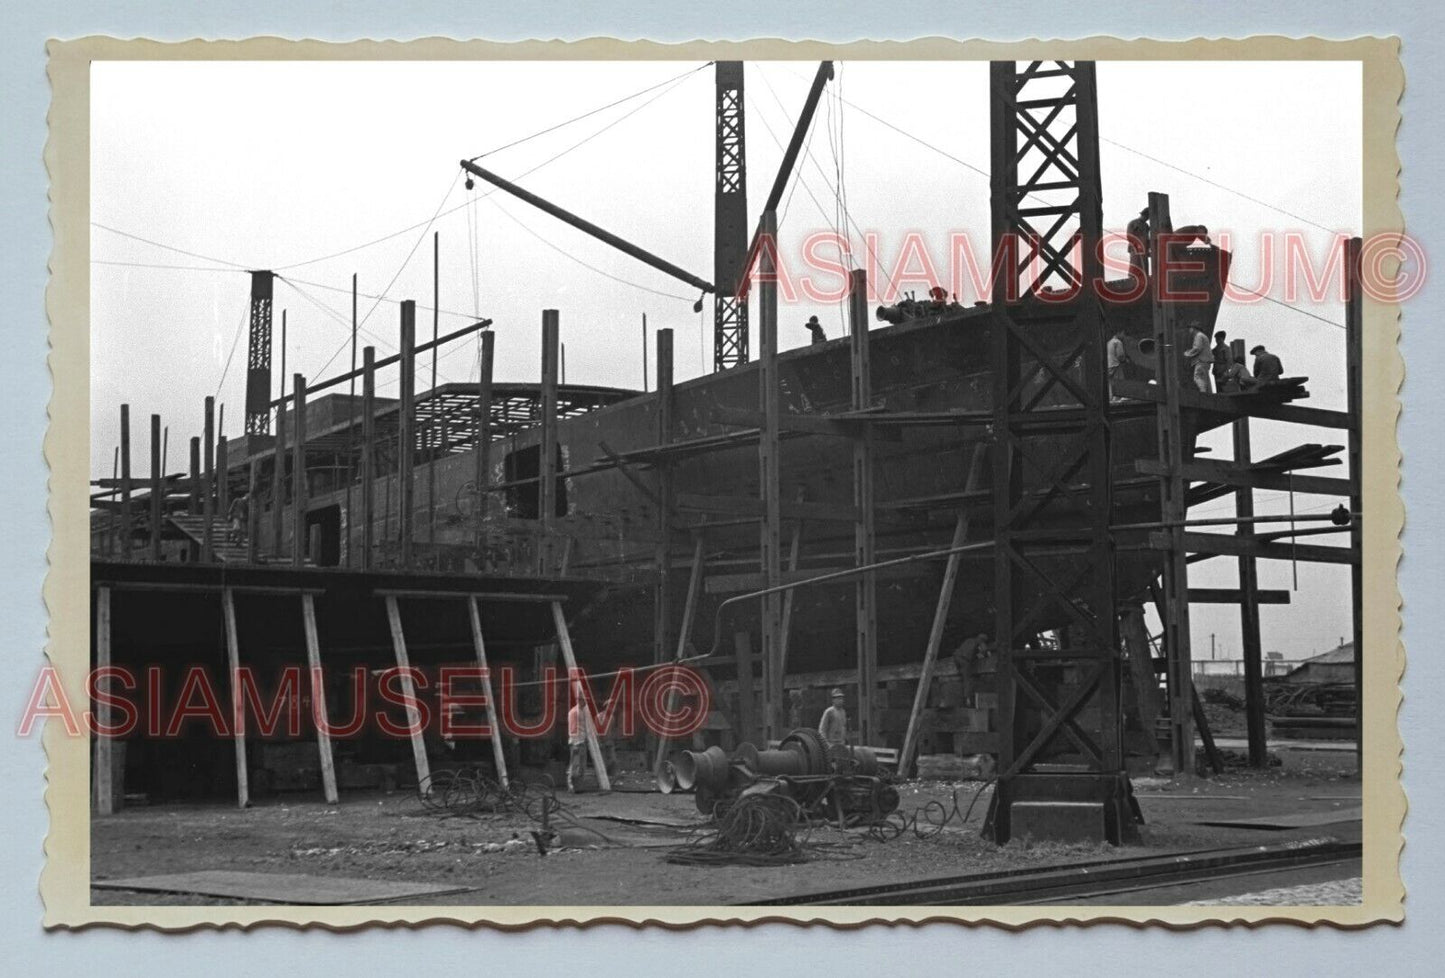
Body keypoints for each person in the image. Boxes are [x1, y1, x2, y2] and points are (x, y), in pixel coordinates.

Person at [566, 694, 588, 792]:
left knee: (581, 765)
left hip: (582, 741)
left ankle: (578, 786)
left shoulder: (582, 712)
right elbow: (573, 729)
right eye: (584, 700)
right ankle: (573, 787)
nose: (586, 702)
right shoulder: (574, 712)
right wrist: (575, 743)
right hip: (577, 742)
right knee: (575, 765)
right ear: (580, 700)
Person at [1182, 324, 1213, 393]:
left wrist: (1187, 353)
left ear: (1194, 328)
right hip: (1206, 361)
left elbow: (1197, 348)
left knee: (1197, 377)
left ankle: (1203, 393)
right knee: (1205, 378)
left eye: (1190, 328)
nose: (1189, 330)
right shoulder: (1203, 336)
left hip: (1201, 361)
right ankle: (1209, 393)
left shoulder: (1198, 336)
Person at [1126, 207, 1150, 279]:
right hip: (1135, 248)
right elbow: (1129, 236)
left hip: (1144, 248)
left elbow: (1147, 238)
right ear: (1144, 215)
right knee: (1135, 262)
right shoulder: (1133, 223)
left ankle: (1144, 277)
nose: (1147, 219)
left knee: (1144, 265)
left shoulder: (1146, 226)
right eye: (1147, 216)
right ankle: (1132, 278)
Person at [1107, 328, 1130, 402]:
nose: (1124, 335)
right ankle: (1117, 399)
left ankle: (1111, 399)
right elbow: (1120, 356)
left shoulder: (1109, 342)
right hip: (1115, 365)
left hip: (1108, 365)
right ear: (1119, 333)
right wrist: (1125, 360)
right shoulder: (1118, 342)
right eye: (1123, 333)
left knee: (1110, 383)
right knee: (1119, 382)